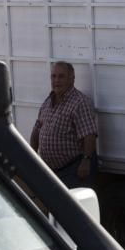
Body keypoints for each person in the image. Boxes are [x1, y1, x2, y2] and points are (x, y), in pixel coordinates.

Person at [29, 61, 98, 189]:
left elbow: (89, 135)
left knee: (71, 207)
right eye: (53, 76)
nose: (56, 80)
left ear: (72, 79)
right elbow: (37, 130)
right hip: (51, 172)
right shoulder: (48, 102)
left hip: (73, 170)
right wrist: (32, 156)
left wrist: (86, 160)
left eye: (61, 76)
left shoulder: (79, 103)